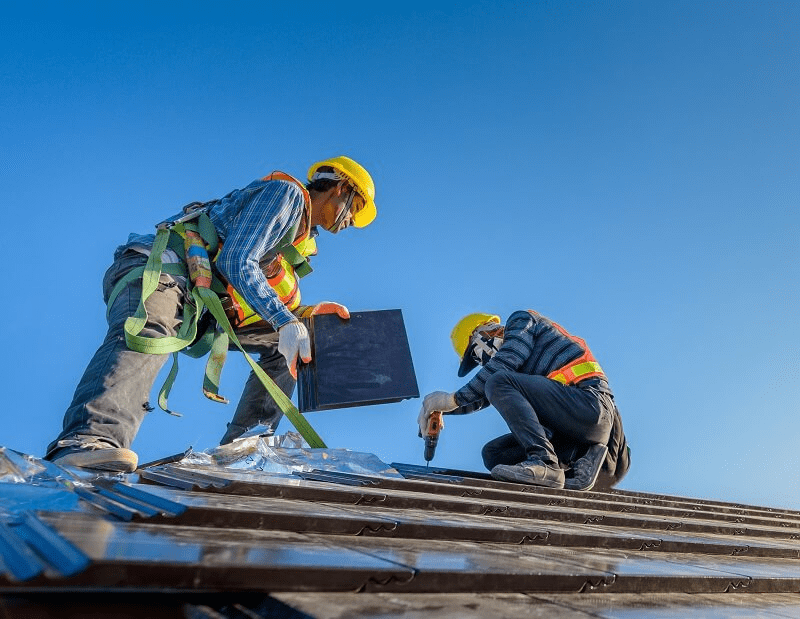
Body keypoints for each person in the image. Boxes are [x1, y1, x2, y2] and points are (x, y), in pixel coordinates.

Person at [45, 156, 376, 472]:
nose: (351, 222)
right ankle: (87, 441)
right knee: (151, 331)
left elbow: (253, 294)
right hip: (160, 270)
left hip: (195, 298)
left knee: (287, 344)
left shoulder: (295, 241)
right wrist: (286, 319)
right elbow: (236, 261)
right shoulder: (287, 195)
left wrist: (304, 315)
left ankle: (244, 451)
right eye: (355, 209)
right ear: (340, 188)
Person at [417, 310, 629, 490]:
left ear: (486, 331)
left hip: (591, 407)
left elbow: (504, 365)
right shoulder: (510, 371)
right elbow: (483, 395)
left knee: (497, 381)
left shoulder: (521, 322)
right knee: (494, 454)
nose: (481, 361)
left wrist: (452, 398)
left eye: (475, 353)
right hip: (571, 428)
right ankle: (577, 458)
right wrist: (444, 409)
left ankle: (545, 463)